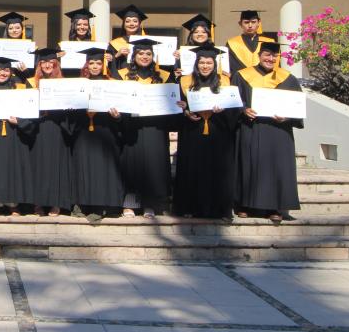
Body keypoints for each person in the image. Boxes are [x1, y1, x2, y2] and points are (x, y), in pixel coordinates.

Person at [231, 41, 303, 222]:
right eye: (267, 55)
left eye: (274, 56)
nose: (270, 59)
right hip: (251, 128)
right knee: (248, 165)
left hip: (278, 131)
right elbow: (234, 101)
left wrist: (287, 117)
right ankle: (245, 205)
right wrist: (243, 110)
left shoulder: (288, 78)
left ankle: (275, 207)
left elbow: (297, 106)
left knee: (276, 168)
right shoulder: (242, 75)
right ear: (259, 56)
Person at [174, 43, 238, 220]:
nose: (205, 66)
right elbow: (177, 105)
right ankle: (189, 207)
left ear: (214, 64)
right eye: (201, 62)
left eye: (209, 63)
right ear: (196, 63)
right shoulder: (185, 81)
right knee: (192, 169)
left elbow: (234, 108)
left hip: (219, 131)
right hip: (192, 131)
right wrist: (185, 112)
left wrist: (224, 110)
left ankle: (220, 210)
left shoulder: (225, 81)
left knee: (218, 170)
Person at [115, 38, 175, 218]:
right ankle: (129, 204)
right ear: (134, 56)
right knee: (131, 164)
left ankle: (150, 204)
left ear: (153, 56)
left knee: (153, 165)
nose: (144, 56)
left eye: (148, 53)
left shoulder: (164, 76)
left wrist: (176, 105)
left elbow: (171, 101)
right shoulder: (122, 74)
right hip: (131, 127)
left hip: (155, 128)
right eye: (140, 53)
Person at [70, 47, 124, 223]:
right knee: (83, 167)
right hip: (83, 131)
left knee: (101, 169)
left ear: (104, 65)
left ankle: (100, 206)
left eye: (98, 63)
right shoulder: (79, 84)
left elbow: (122, 110)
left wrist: (117, 116)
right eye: (91, 63)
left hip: (105, 131)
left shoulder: (112, 83)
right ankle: (82, 204)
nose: (94, 66)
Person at [0, 57, 36, 216]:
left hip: (13, 133)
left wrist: (20, 121)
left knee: (12, 167)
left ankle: (13, 204)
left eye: (6, 70)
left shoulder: (19, 89)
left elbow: (29, 112)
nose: (2, 73)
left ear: (11, 72)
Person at [26, 48, 73, 216]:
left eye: (51, 63)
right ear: (39, 65)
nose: (47, 65)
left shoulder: (64, 83)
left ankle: (56, 203)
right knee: (38, 165)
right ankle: (37, 202)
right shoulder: (31, 83)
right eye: (44, 62)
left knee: (55, 165)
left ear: (56, 65)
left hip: (57, 128)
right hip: (37, 128)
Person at [173, 14, 215, 81]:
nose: (200, 34)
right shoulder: (182, 52)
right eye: (196, 32)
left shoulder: (215, 51)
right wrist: (176, 71)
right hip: (188, 83)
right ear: (191, 35)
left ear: (208, 35)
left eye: (204, 32)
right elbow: (175, 72)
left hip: (210, 83)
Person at [108, 4, 148, 74]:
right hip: (122, 77)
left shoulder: (147, 41)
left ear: (139, 24)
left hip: (144, 76)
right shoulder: (114, 44)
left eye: (135, 21)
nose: (131, 24)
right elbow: (109, 68)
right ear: (123, 24)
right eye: (127, 21)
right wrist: (117, 56)